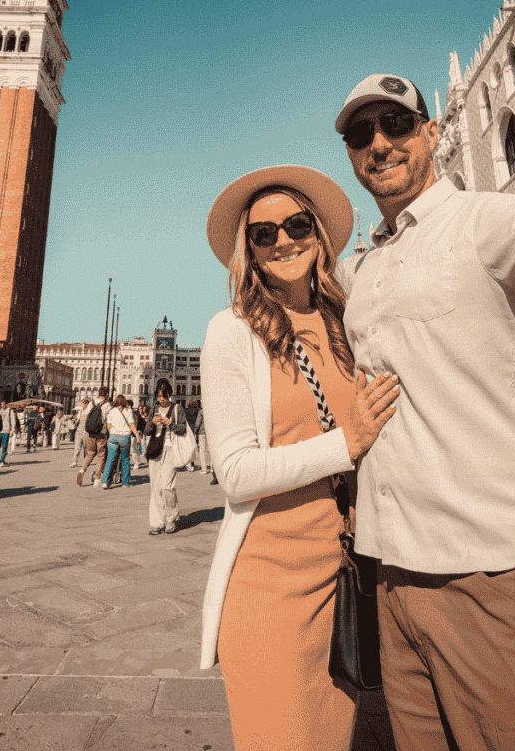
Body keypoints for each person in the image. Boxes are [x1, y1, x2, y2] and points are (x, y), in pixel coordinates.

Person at [334, 71, 515, 750]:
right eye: (359, 133)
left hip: (502, 573)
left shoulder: (483, 220)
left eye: (396, 124)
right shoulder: (365, 268)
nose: (378, 143)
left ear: (432, 132)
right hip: (396, 581)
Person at [200, 165, 400, 751]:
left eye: (296, 225)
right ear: (250, 252)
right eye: (264, 234)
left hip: (350, 578)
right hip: (270, 591)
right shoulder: (233, 332)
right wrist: (347, 442)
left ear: (319, 235)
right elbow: (234, 473)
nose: (283, 240)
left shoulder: (348, 324)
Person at [144, 379, 188, 535]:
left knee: (167, 487)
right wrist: (152, 423)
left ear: (169, 394)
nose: (161, 399)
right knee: (155, 488)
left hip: (170, 450)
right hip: (155, 451)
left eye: (164, 396)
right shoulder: (153, 409)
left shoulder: (177, 409)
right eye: (159, 396)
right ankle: (158, 522)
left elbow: (183, 429)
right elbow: (147, 431)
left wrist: (170, 423)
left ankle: (171, 518)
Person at [102, 395, 140, 489]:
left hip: (113, 437)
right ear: (124, 402)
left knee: (110, 459)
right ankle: (125, 483)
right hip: (125, 436)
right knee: (125, 459)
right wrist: (137, 435)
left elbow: (108, 426)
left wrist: (112, 432)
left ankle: (105, 482)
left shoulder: (111, 411)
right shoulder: (128, 411)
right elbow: (131, 424)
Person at [78, 387, 110, 487]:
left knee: (90, 453)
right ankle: (97, 478)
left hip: (91, 433)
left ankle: (82, 470)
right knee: (101, 456)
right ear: (107, 395)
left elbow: (85, 415)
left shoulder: (92, 403)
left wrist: (85, 430)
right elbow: (109, 419)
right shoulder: (108, 405)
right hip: (102, 434)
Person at [70, 398, 90, 468]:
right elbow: (78, 420)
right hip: (79, 430)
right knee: (77, 447)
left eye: (83, 403)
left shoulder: (89, 412)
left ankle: (86, 461)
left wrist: (85, 432)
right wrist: (75, 419)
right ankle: (74, 461)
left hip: (86, 431)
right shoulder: (80, 411)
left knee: (86, 447)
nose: (82, 404)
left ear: (86, 404)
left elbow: (89, 423)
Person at [193, 401, 211, 475]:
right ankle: (213, 468)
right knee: (210, 451)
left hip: (201, 432)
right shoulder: (211, 411)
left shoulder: (201, 411)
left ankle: (204, 469)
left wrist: (195, 431)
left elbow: (198, 422)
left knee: (202, 450)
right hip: (210, 432)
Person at [0, 400, 14, 466]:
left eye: (3, 404)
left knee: (4, 446)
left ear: (6, 404)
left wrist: (12, 430)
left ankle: (2, 460)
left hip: (6, 431)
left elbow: (13, 421)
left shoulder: (10, 411)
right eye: (1, 404)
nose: (2, 406)